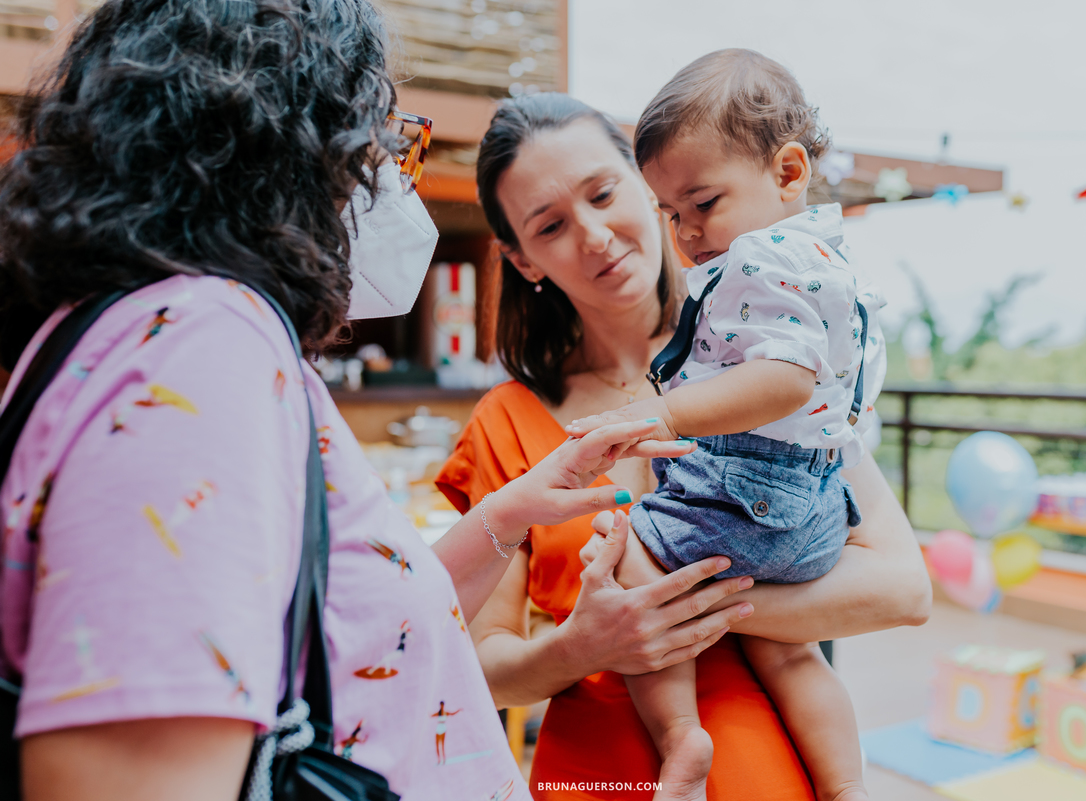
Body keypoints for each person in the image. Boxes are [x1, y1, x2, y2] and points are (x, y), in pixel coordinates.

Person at [0, 2, 728, 799]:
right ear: (287, 147)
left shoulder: (163, 332)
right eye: (381, 139)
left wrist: (509, 513)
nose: (390, 177)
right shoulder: (200, 347)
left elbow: (354, 628)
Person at [436, 92, 932, 800]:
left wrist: (665, 610)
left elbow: (903, 589)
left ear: (648, 186)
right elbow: (483, 666)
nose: (596, 235)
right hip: (599, 777)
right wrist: (584, 645)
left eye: (605, 193)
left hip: (782, 772)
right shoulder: (506, 422)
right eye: (550, 226)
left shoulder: (759, 366)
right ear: (523, 260)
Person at [565, 49, 881, 801]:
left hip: (752, 488)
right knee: (795, 655)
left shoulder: (762, 256)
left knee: (629, 547)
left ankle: (680, 737)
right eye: (672, 212)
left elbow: (783, 380)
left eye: (703, 202)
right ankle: (846, 786)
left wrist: (661, 411)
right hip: (811, 509)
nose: (687, 231)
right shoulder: (822, 260)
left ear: (789, 171)